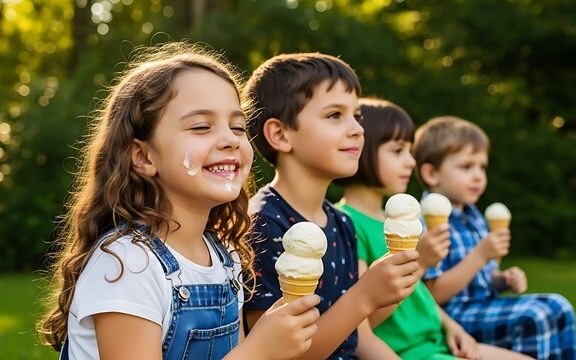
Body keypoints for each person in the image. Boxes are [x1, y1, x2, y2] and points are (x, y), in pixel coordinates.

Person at [37, 42, 321, 360]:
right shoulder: (128, 265)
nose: (229, 139)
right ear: (143, 156)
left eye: (238, 127)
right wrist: (259, 352)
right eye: (201, 127)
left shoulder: (224, 255)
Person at [242, 53, 421, 359]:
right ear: (281, 134)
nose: (357, 129)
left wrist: (384, 294)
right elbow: (279, 354)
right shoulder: (262, 224)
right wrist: (364, 296)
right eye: (335, 115)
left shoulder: (342, 223)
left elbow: (360, 337)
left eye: (357, 116)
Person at [336, 98, 533, 359]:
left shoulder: (397, 221)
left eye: (410, 152)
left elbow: (420, 296)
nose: (411, 162)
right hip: (408, 351)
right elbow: (360, 321)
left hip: (437, 341)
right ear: (360, 150)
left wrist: (453, 327)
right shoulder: (347, 223)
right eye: (398, 151)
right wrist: (421, 263)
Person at [412, 115, 576, 360]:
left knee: (558, 306)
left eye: (482, 167)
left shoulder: (474, 215)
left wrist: (502, 280)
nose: (478, 175)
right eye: (467, 167)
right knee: (534, 315)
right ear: (431, 173)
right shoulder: (425, 221)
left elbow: (482, 279)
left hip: (483, 306)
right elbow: (431, 294)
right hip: (452, 316)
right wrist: (480, 255)